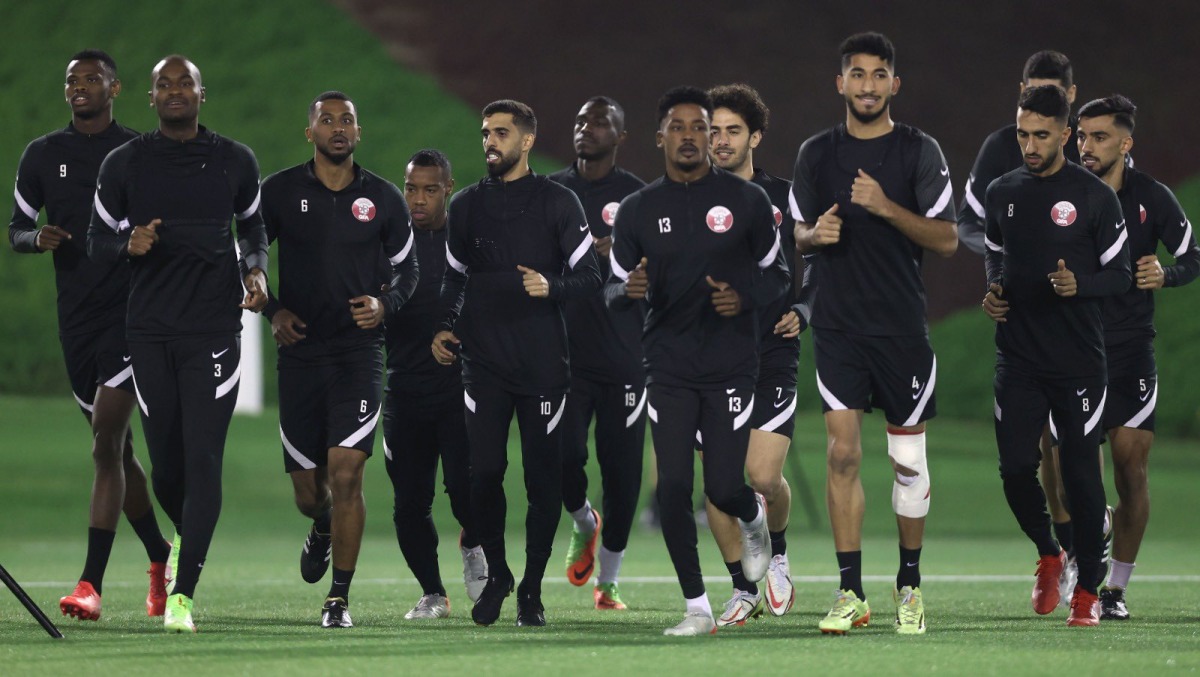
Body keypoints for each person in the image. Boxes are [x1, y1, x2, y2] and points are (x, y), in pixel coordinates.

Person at [87, 55, 269, 633]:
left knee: (204, 456)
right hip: (149, 330)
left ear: (200, 93)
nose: (174, 91)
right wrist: (127, 245)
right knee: (166, 467)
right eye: (163, 84)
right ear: (150, 97)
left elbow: (254, 229)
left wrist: (257, 272)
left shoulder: (234, 160)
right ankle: (185, 540)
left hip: (214, 329)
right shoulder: (125, 163)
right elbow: (96, 241)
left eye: (184, 83)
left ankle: (184, 593)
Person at [607, 86, 791, 637]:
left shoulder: (747, 202)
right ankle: (697, 607)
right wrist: (628, 290)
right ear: (660, 136)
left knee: (724, 487)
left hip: (733, 365)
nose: (691, 136)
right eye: (678, 127)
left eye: (700, 127)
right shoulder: (639, 210)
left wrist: (745, 297)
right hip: (667, 367)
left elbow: (779, 274)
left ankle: (755, 520)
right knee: (669, 491)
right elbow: (610, 290)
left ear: (712, 136)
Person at [791, 32, 957, 635]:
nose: (867, 85)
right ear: (840, 83)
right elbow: (798, 234)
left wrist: (886, 207)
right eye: (856, 74)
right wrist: (814, 238)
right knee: (841, 454)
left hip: (900, 330)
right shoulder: (815, 154)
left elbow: (946, 238)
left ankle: (908, 585)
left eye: (878, 74)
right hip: (838, 327)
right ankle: (850, 591)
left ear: (894, 84)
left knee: (907, 461)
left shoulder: (919, 151)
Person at [8, 50, 170, 622]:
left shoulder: (136, 155)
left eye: (91, 79)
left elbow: (163, 225)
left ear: (115, 88)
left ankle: (89, 584)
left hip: (130, 316)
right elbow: (15, 230)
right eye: (71, 79)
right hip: (75, 320)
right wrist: (36, 240)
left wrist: (148, 238)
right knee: (119, 451)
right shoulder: (43, 154)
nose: (79, 87)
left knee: (105, 442)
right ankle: (158, 555)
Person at [432, 100, 602, 627]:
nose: (490, 142)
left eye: (501, 133)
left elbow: (592, 277)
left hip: (543, 366)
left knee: (540, 481)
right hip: (482, 365)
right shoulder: (464, 206)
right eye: (486, 133)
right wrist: (443, 324)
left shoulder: (558, 201)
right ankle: (501, 574)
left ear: (526, 141)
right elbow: (453, 279)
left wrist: (552, 285)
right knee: (483, 474)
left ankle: (531, 588)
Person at [259, 91, 418, 628]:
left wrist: (385, 304)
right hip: (301, 354)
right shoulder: (279, 191)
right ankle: (321, 525)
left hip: (358, 354)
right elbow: (249, 255)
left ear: (358, 131)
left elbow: (408, 271)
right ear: (310, 133)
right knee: (310, 493)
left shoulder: (383, 197)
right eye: (327, 120)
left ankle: (339, 598)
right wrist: (273, 310)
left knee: (348, 473)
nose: (338, 127)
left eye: (347, 119)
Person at [982, 84, 1130, 627]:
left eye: (1041, 135)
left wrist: (1079, 286)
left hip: (1078, 361)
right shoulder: (1003, 191)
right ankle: (1050, 551)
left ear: (1065, 134)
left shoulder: (1094, 196)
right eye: (1023, 134)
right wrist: (994, 290)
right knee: (1017, 469)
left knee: (1080, 479)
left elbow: (1121, 276)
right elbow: (996, 254)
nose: (1030, 145)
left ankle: (1088, 591)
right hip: (1017, 356)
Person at [959, 52, 1085, 595]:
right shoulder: (1000, 156)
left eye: (1050, 94)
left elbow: (1111, 237)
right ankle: (1056, 550)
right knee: (1029, 456)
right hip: (1022, 333)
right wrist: (999, 275)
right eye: (1030, 94)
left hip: (1083, 334)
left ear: (1069, 105)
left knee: (1073, 453)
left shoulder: (1092, 151)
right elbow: (975, 224)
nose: (1031, 137)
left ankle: (1083, 559)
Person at [1074, 95, 1199, 619]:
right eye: (1081, 136)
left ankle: (1113, 592)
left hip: (1130, 353)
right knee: (1070, 473)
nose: (1086, 147)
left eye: (1099, 137)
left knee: (1131, 469)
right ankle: (1088, 530)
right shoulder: (1061, 194)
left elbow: (1193, 255)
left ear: (1126, 143)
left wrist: (1165, 274)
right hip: (1073, 350)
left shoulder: (1153, 197)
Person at [703, 83, 804, 625]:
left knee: (762, 478)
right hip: (708, 358)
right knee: (716, 484)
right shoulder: (687, 197)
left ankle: (779, 552)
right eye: (713, 130)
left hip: (772, 350)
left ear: (756, 136)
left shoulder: (786, 197)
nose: (720, 141)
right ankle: (743, 587)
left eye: (732, 131)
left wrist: (805, 311)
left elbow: (827, 266)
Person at [548, 96, 646, 610]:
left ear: (620, 137)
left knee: (624, 475)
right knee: (564, 457)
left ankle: (608, 584)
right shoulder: (553, 192)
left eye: (600, 122)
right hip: (564, 356)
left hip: (626, 356)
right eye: (581, 120)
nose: (587, 128)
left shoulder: (638, 198)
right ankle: (583, 519)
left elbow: (661, 271)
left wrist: (622, 255)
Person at [384, 149, 486, 620]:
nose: (418, 199)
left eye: (430, 189)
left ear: (448, 187)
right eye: (411, 188)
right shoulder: (387, 243)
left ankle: (474, 541)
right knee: (408, 503)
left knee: (467, 494)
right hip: (403, 389)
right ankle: (432, 593)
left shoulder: (464, 243)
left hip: (459, 389)